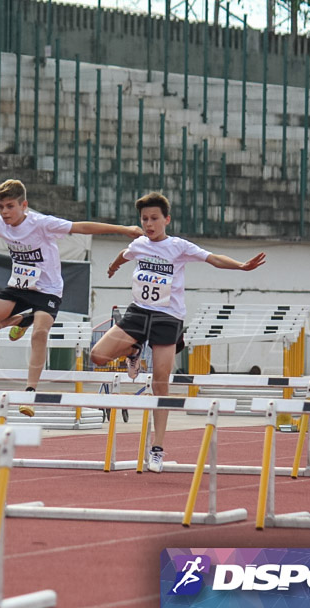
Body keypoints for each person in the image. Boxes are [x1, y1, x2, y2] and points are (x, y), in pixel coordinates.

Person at [89, 192, 265, 473]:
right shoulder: (139, 245)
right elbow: (124, 255)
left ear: (166, 220)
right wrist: (112, 266)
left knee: (161, 382)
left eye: (154, 219)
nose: (149, 224)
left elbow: (213, 258)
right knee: (97, 355)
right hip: (138, 312)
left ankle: (157, 447)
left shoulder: (178, 246)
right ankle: (134, 350)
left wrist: (241, 266)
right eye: (144, 219)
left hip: (168, 317)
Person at [0, 179, 143, 417]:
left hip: (47, 291)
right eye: (1, 206)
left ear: (24, 205)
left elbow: (80, 227)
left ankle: (30, 392)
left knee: (40, 333)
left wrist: (124, 230)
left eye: (10, 206)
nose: (4, 212)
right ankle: (21, 320)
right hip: (18, 288)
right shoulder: (2, 224)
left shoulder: (41, 224)